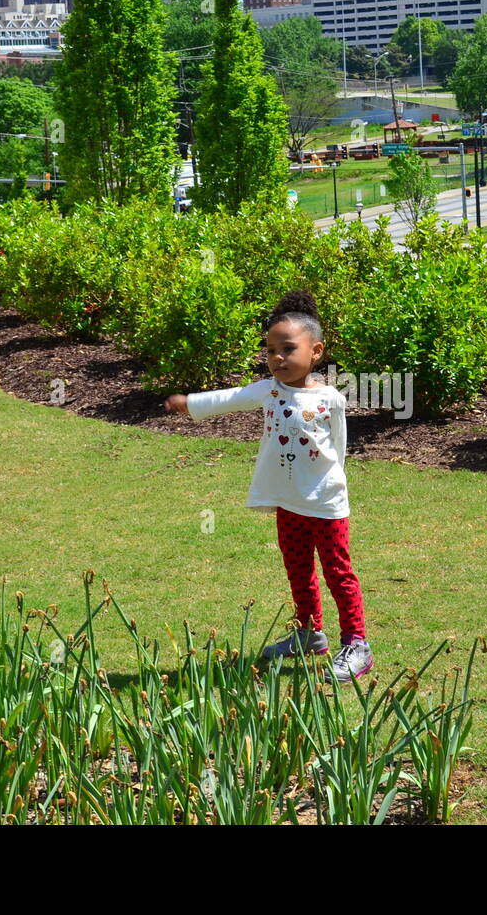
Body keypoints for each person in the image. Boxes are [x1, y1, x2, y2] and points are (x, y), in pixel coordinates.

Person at [163, 290, 373, 683]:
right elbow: (228, 398)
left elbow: (339, 450)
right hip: (287, 503)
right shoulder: (268, 391)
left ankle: (356, 643)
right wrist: (188, 402)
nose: (277, 357)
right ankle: (309, 634)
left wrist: (329, 489)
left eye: (288, 348)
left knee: (337, 572)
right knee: (298, 570)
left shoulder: (330, 398)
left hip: (325, 505)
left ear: (316, 351)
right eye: (271, 349)